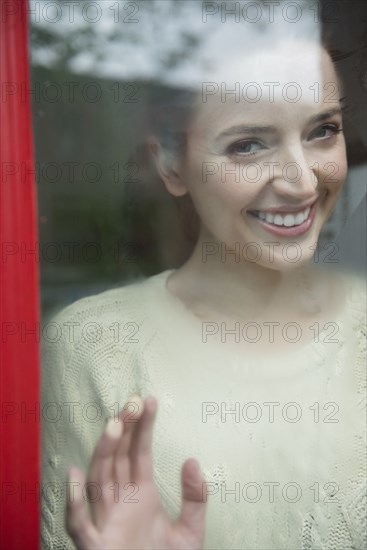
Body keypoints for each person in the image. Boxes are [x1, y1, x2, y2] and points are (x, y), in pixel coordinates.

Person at [41, 30, 366, 550]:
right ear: (172, 164)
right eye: (248, 144)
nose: (304, 183)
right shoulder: (93, 346)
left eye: (322, 130)